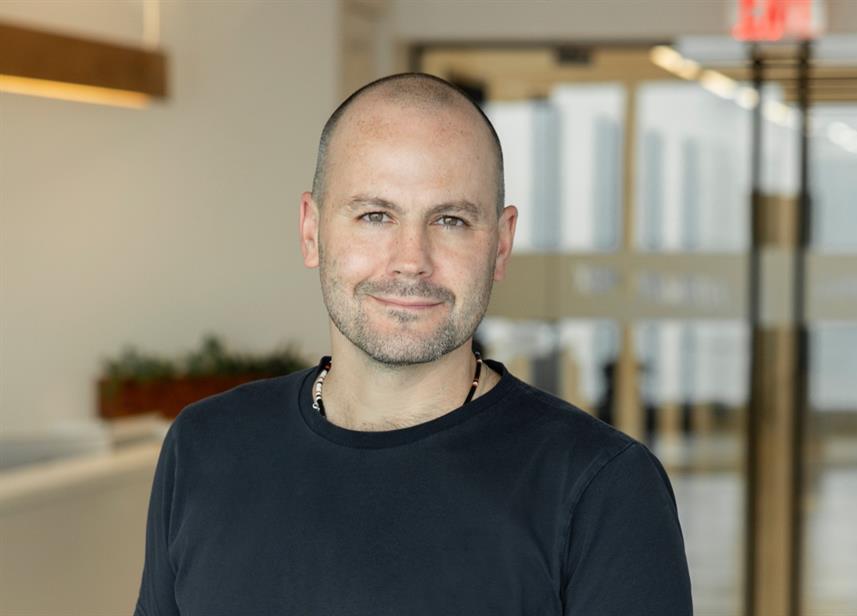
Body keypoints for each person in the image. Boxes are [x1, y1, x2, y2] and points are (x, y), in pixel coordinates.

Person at [134, 72, 692, 616]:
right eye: (375, 215)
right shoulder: (204, 447)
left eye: (450, 220)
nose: (411, 261)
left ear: (500, 245)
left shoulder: (602, 487)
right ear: (311, 230)